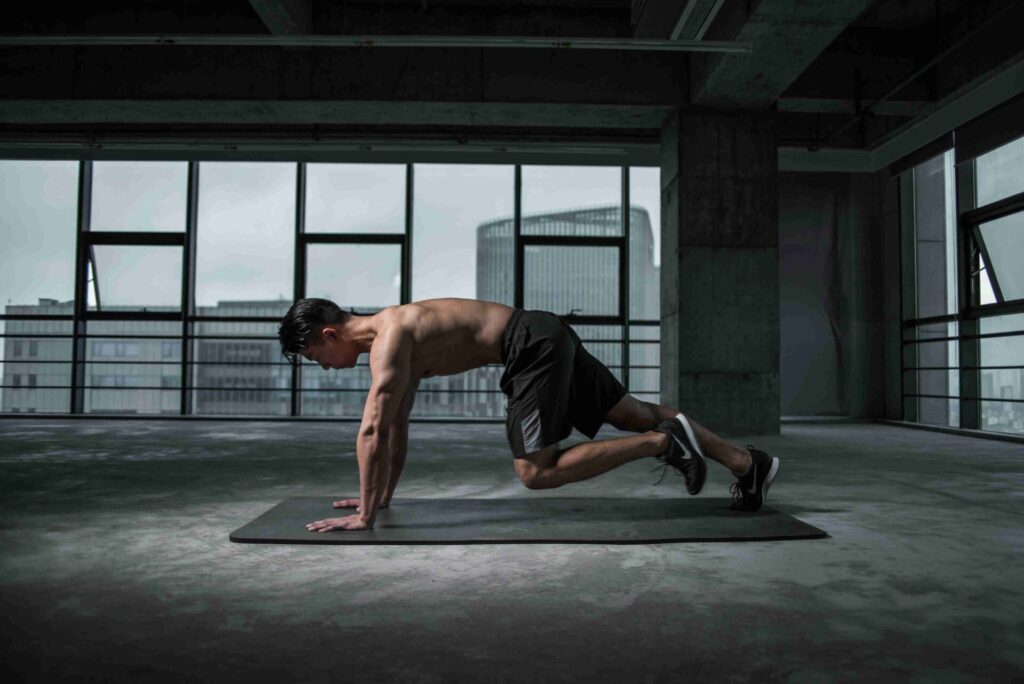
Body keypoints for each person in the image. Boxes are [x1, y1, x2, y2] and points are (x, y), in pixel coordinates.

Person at [277, 297, 780, 532]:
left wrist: (365, 517)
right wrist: (380, 498)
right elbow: (395, 423)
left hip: (529, 344)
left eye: (315, 359)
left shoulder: (388, 341)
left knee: (536, 472)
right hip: (542, 331)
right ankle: (745, 463)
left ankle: (665, 444)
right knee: (633, 412)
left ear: (328, 335)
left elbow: (371, 428)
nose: (324, 368)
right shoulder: (394, 334)